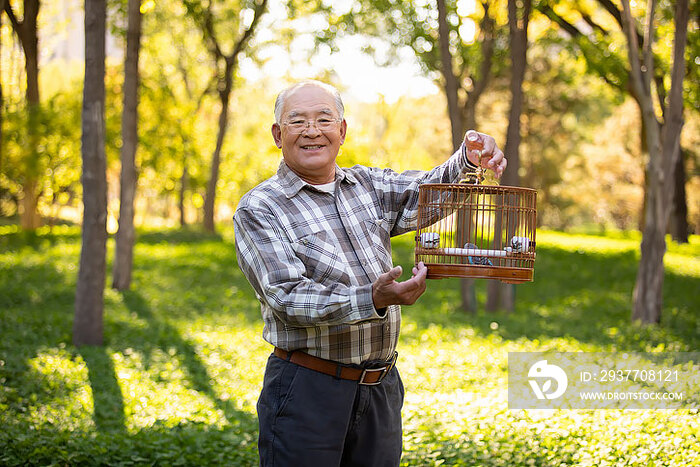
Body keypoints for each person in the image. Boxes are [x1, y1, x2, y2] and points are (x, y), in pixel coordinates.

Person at [233, 80, 506, 466]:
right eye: (298, 122)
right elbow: (287, 299)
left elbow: (425, 194)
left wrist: (470, 159)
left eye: (324, 119)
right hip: (307, 389)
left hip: (380, 386)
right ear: (278, 135)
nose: (313, 130)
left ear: (341, 131)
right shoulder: (260, 208)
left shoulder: (367, 185)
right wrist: (372, 298)